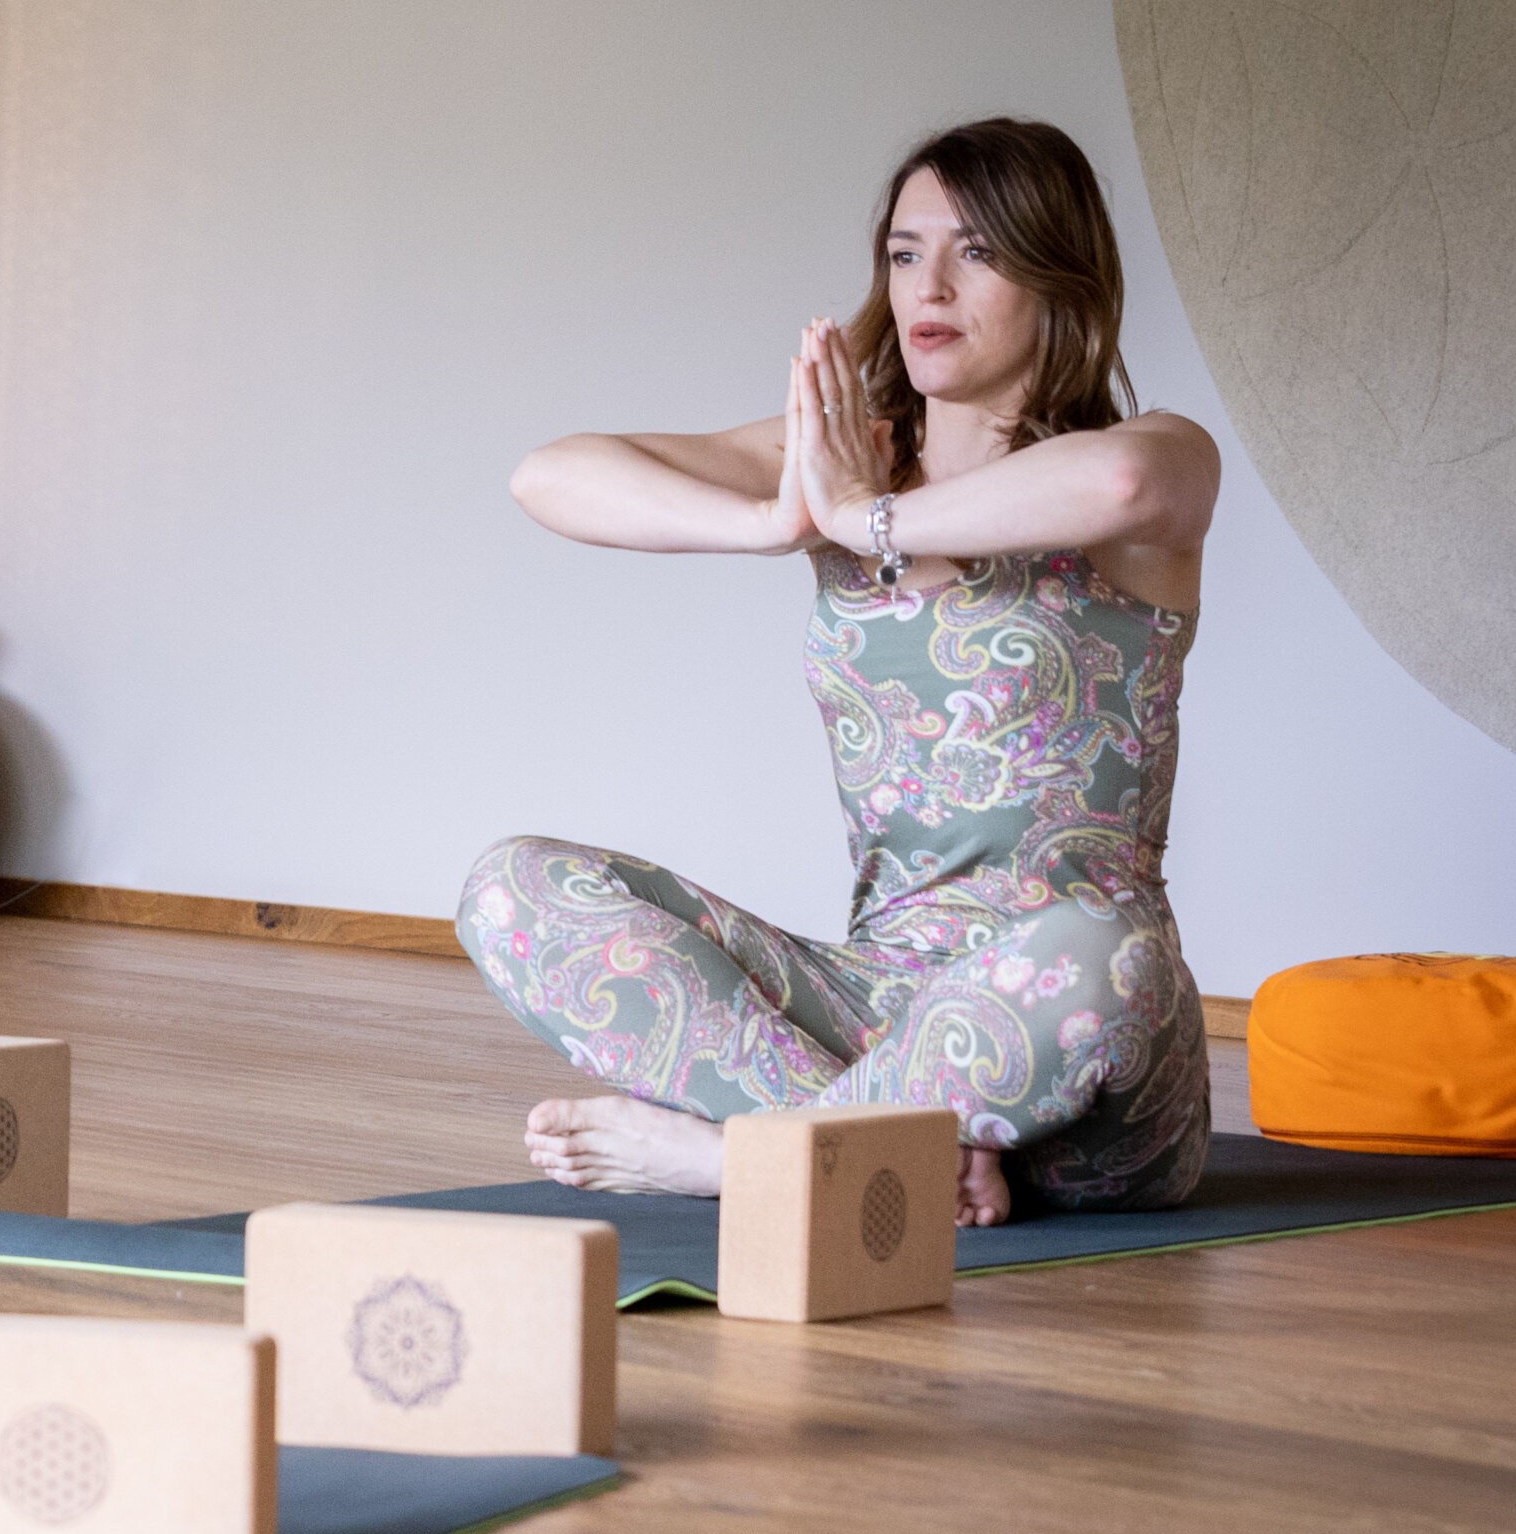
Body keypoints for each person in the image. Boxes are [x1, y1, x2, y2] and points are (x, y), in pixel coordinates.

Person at [456, 118, 1220, 1227]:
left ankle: (745, 1160)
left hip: (1086, 1027)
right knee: (510, 886)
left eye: (978, 251)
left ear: (1058, 277)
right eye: (906, 253)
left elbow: (1114, 484)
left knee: (1109, 955)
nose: (931, 285)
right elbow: (549, 475)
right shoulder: (848, 451)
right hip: (883, 1008)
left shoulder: (1151, 460)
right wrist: (773, 523)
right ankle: (882, 1148)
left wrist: (865, 519)